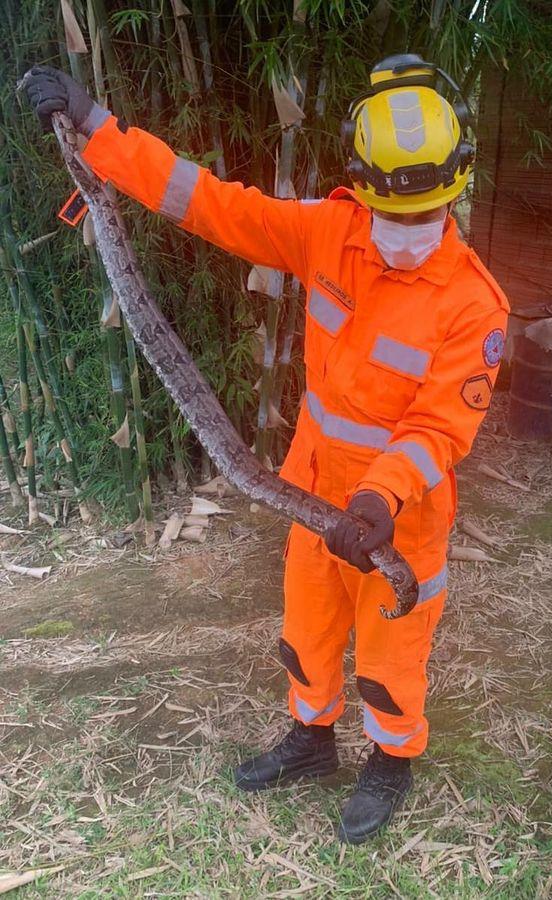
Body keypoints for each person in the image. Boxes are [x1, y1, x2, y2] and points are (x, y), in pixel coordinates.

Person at [24, 54, 509, 844]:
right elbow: (211, 204)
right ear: (363, 190)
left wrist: (380, 500)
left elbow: (439, 429)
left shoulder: (474, 305)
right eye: (395, 216)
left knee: (391, 654)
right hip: (313, 494)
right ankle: (312, 741)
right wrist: (98, 130)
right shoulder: (330, 232)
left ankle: (391, 759)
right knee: (307, 629)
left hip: (400, 517)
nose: (406, 235)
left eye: (424, 218)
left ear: (453, 193)